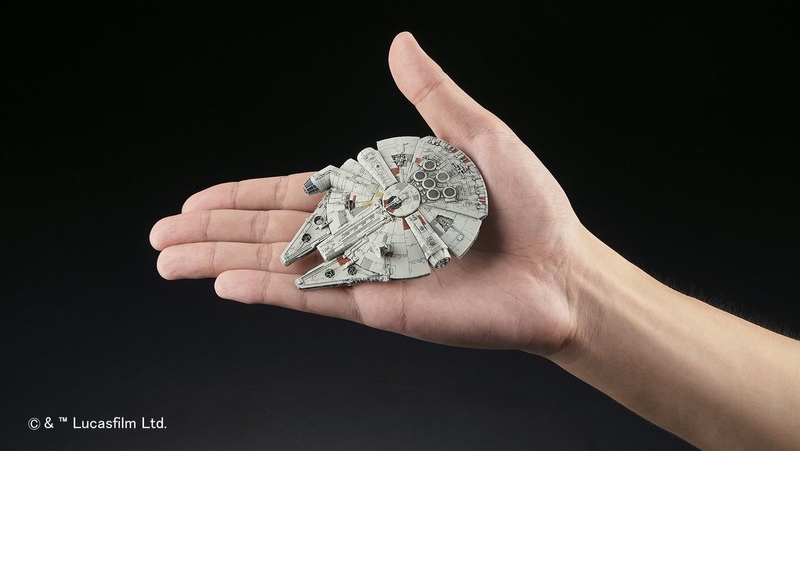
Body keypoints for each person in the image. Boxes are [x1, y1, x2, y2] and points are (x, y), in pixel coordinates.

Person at [150, 32, 800, 450]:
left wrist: (570, 282)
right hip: (387, 197)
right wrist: (574, 292)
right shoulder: (375, 184)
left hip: (415, 209)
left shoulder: (439, 209)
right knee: (310, 247)